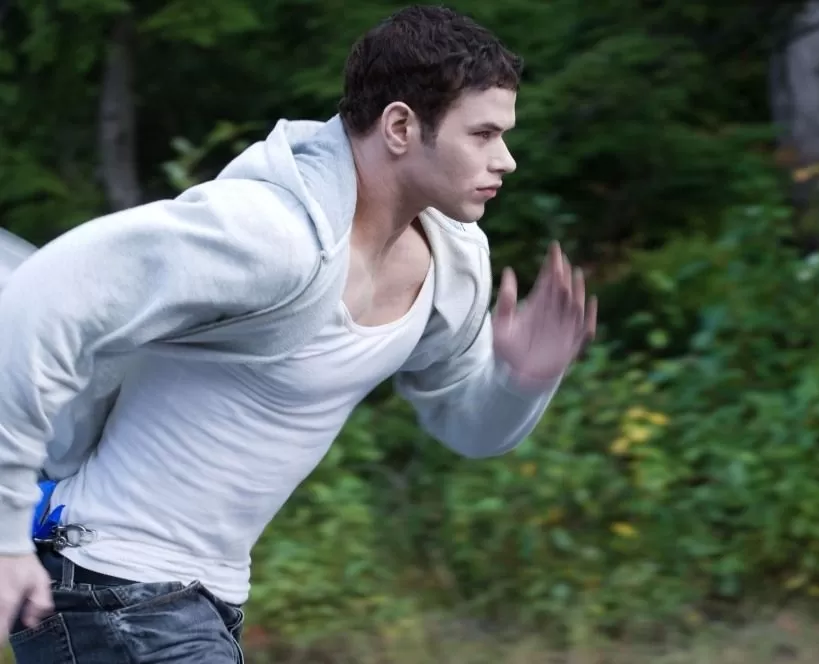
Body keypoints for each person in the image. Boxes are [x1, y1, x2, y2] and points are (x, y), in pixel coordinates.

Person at [0, 4, 597, 662]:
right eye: (482, 134)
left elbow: (468, 426)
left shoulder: (452, 265)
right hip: (109, 582)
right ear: (400, 126)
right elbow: (39, 298)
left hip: (202, 597)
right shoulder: (269, 235)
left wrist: (521, 379)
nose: (505, 159)